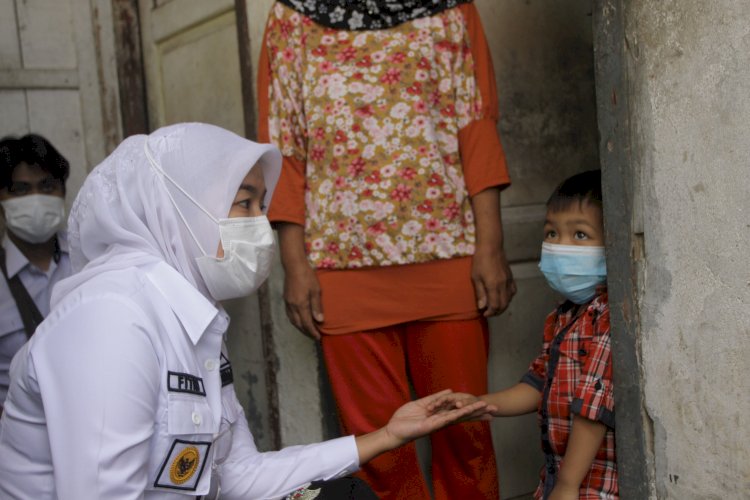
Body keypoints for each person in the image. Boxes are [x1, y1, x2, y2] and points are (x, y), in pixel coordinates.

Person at [0, 123, 493, 499]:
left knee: (344, 494)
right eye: (244, 204)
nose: (261, 226)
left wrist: (386, 435)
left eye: (262, 205)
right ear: (180, 211)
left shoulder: (189, 314)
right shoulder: (111, 320)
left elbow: (235, 474)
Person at [258, 1, 515, 497]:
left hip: (449, 256)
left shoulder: (450, 8)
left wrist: (491, 245)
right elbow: (283, 142)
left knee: (466, 435)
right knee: (380, 452)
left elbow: (475, 123)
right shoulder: (293, 15)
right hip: (339, 266)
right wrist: (294, 264)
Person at [435, 170, 618, 499]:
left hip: (592, 486)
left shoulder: (607, 318)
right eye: (551, 232)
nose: (559, 246)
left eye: (579, 235)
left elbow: (593, 409)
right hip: (558, 478)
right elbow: (538, 384)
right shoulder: (562, 316)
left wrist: (567, 485)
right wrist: (480, 404)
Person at [0, 134, 71, 411]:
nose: (36, 199)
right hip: (21, 439)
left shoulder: (90, 258)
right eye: (19, 189)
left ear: (62, 192)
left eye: (47, 186)